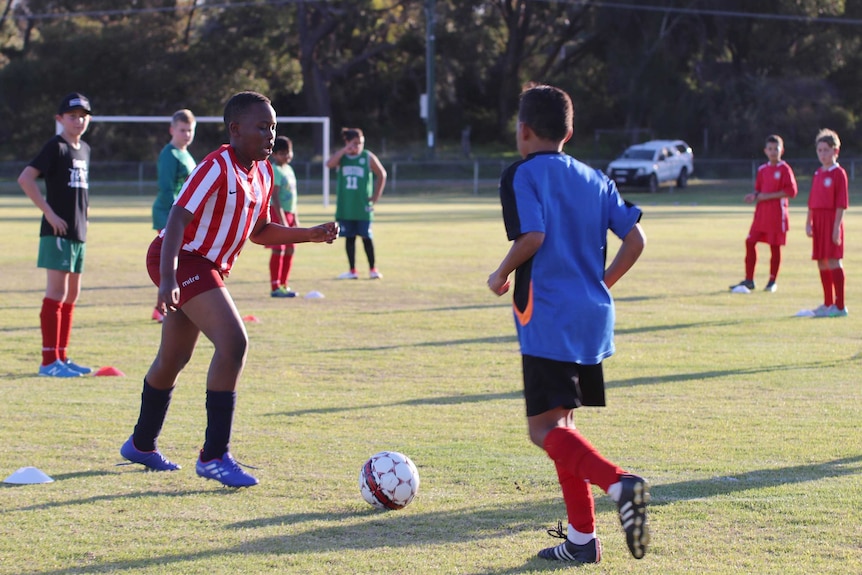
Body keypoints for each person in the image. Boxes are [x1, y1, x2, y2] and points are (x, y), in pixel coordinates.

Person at [119, 91, 338, 487]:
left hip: (204, 266)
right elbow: (177, 218)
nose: (270, 135)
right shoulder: (215, 166)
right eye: (262, 127)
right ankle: (214, 455)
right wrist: (167, 280)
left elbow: (260, 231)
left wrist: (310, 234)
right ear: (235, 130)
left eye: (274, 127)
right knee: (234, 343)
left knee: (173, 358)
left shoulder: (264, 173)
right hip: (182, 258)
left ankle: (140, 444)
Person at [487, 84, 650, 564]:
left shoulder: (521, 173)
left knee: (543, 430)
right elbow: (637, 238)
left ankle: (621, 485)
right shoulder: (595, 177)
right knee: (565, 425)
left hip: (548, 314)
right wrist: (601, 284)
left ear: (523, 131)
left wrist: (500, 273)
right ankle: (582, 541)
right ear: (570, 131)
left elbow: (532, 234)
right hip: (591, 315)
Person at [17, 92, 94, 378]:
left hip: (78, 231)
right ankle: (48, 361)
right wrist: (49, 212)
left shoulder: (84, 148)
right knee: (57, 293)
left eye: (83, 116)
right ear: (59, 119)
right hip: (57, 231)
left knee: (72, 294)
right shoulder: (55, 146)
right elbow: (25, 178)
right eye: (72, 116)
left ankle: (62, 357)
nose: (78, 121)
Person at [729, 134, 798, 293]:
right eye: (770, 149)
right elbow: (759, 190)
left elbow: (792, 191)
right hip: (761, 215)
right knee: (750, 242)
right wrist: (753, 196)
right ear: (765, 151)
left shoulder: (785, 169)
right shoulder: (762, 170)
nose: (773, 152)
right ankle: (749, 280)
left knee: (775, 247)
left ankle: (772, 281)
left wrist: (767, 196)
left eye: (776, 149)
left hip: (776, 215)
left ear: (782, 150)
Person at [151, 109, 197, 322]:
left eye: (190, 130)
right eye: (182, 130)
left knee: (179, 259)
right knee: (169, 258)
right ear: (172, 130)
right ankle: (161, 308)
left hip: (182, 215)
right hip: (169, 214)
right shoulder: (169, 154)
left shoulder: (186, 154)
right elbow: (167, 188)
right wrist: (175, 216)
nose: (186, 134)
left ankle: (173, 302)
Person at [325, 127, 387, 280]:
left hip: (362, 208)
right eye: (355, 143)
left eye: (361, 143)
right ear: (347, 142)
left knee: (366, 237)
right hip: (346, 208)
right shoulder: (342, 158)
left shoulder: (367, 157)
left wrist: (375, 196)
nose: (358, 146)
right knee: (349, 238)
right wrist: (343, 150)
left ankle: (373, 269)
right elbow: (328, 164)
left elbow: (382, 174)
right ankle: (352, 270)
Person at [806, 129, 849, 317]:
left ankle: (840, 306)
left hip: (832, 221)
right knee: (821, 262)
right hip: (818, 222)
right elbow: (812, 202)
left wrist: (836, 228)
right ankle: (827, 303)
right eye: (820, 150)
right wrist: (808, 222)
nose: (823, 154)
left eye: (826, 150)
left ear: (835, 151)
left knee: (833, 260)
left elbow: (841, 204)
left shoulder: (839, 174)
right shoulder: (818, 174)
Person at [265, 135, 300, 297]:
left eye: (289, 152)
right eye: (282, 153)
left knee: (291, 249)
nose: (287, 156)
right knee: (279, 250)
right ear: (274, 154)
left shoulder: (289, 169)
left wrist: (295, 217)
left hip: (290, 214)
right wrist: (282, 218)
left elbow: (293, 196)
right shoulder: (275, 170)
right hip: (279, 214)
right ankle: (275, 287)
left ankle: (284, 284)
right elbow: (275, 197)